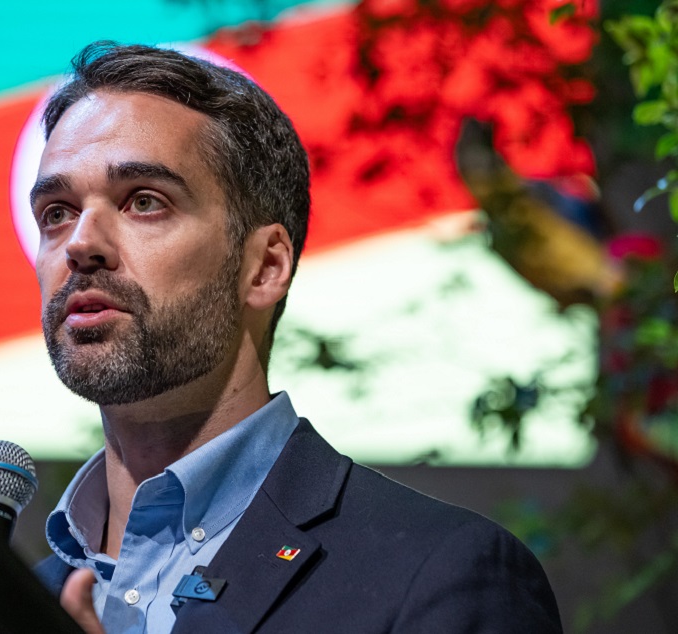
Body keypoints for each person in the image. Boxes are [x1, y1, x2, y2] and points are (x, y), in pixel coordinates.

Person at [29, 41, 562, 634]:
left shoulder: (443, 571)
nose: (80, 243)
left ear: (264, 267)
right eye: (56, 212)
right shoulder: (11, 600)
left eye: (144, 202)